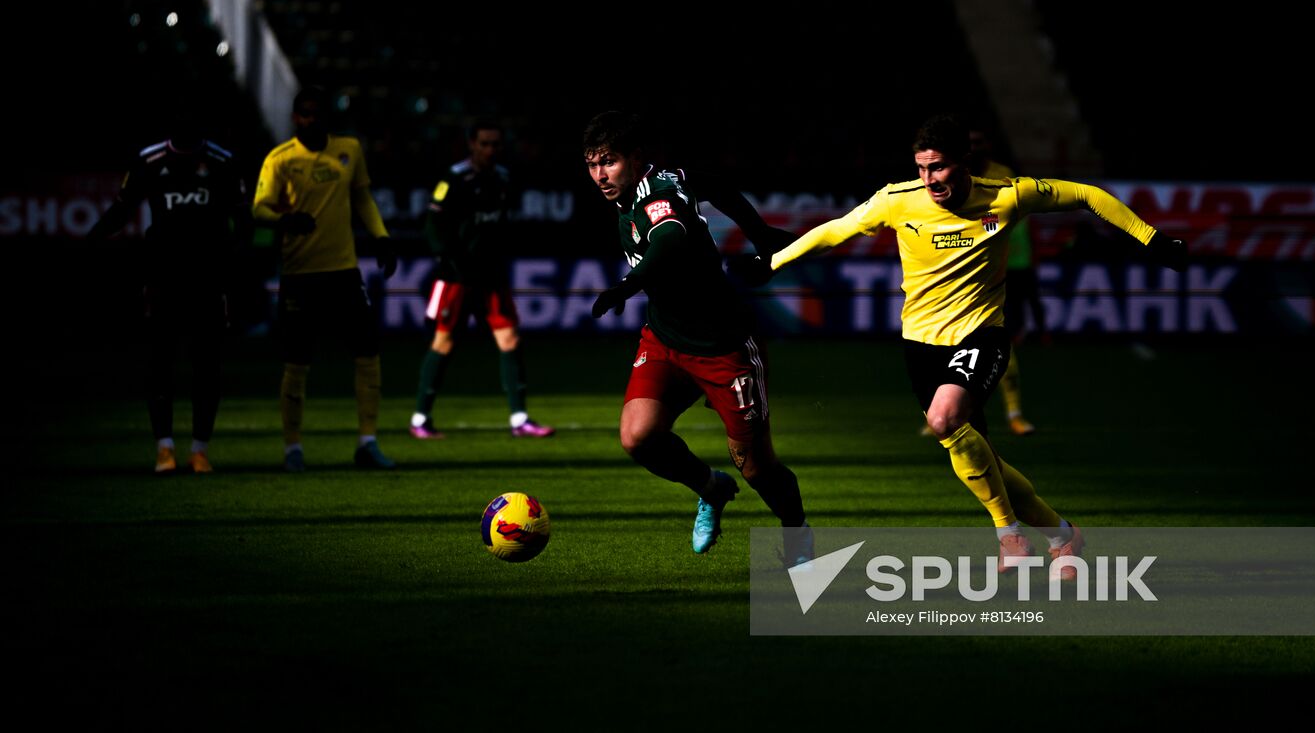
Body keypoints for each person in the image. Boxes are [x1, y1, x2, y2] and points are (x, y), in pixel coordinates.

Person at [740, 113, 1187, 580]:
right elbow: (836, 230)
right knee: (984, 459)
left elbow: (1086, 194)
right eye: (921, 168)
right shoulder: (897, 200)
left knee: (943, 419)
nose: (929, 179)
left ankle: (1010, 538)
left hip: (982, 333)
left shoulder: (1007, 194)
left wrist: (1151, 239)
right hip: (920, 343)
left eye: (938, 167)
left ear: (964, 162)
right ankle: (1062, 536)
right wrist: (774, 261)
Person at [582, 111, 812, 565]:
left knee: (757, 467)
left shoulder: (657, 195)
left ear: (635, 158)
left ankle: (797, 535)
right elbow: (715, 184)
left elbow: (669, 237)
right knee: (637, 437)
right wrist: (759, 232)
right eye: (591, 164)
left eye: (608, 161)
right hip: (665, 341)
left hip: (723, 347)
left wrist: (627, 285)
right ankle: (710, 488)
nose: (599, 174)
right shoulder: (664, 180)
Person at [252, 86, 398, 472]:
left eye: (317, 113)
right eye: (305, 114)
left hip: (344, 271)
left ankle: (367, 441)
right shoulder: (279, 159)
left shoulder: (349, 149)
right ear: (295, 118)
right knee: (297, 362)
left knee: (368, 354)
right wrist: (285, 220)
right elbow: (258, 208)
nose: (311, 120)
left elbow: (363, 199)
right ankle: (293, 448)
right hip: (300, 273)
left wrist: (381, 237)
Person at [87, 125, 249, 474]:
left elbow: (244, 222)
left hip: (207, 282)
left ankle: (200, 451)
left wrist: (228, 265)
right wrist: (92, 238)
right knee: (160, 365)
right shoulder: (148, 161)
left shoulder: (223, 162)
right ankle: (164, 450)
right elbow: (121, 208)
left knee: (206, 367)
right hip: (163, 280)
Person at [410, 122, 555, 440]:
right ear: (472, 145)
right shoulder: (455, 178)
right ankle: (421, 418)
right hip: (457, 277)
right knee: (443, 343)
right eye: (485, 143)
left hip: (491, 276)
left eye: (496, 144)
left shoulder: (502, 179)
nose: (491, 149)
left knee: (510, 340)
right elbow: (433, 222)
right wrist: (445, 257)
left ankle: (520, 419)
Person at [920, 123, 1043, 437]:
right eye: (971, 141)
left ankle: (1014, 413)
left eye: (980, 140)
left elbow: (1017, 217)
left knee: (1002, 341)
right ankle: (943, 411)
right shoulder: (947, 182)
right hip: (968, 274)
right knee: (947, 342)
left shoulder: (1003, 175)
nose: (977, 148)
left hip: (1010, 269)